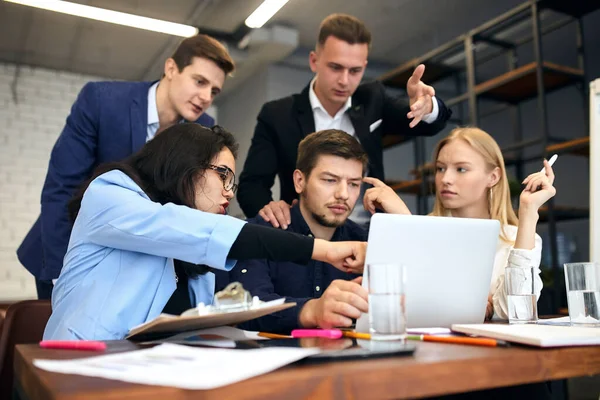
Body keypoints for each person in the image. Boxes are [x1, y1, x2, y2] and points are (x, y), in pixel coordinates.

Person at [43, 124, 366, 341]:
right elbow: (189, 229)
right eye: (222, 175)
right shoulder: (110, 195)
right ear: (184, 164)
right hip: (77, 369)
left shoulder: (194, 261)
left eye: (232, 181)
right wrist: (323, 250)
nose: (228, 192)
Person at [18, 34, 234, 300]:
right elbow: (61, 189)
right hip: (67, 250)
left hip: (136, 268)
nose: (205, 97)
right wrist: (62, 274)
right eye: (199, 81)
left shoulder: (202, 129)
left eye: (214, 91)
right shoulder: (101, 101)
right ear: (170, 68)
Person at [237, 13, 452, 228]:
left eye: (355, 71)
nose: (344, 81)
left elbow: (428, 123)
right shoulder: (278, 114)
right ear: (314, 61)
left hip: (369, 231)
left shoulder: (373, 99)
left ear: (364, 67)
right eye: (335, 67)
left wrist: (427, 106)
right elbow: (251, 186)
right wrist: (272, 214)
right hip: (303, 236)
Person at [362, 127, 556, 320]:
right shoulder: (418, 229)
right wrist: (405, 220)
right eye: (440, 168)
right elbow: (399, 306)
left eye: (461, 169)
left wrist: (529, 212)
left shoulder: (518, 239)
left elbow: (517, 312)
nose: (445, 179)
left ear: (493, 177)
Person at [223, 130, 370, 334]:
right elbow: (246, 310)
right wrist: (311, 311)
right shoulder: (260, 233)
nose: (343, 194)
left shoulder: (365, 242)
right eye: (330, 180)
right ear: (300, 181)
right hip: (273, 361)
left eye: (354, 184)